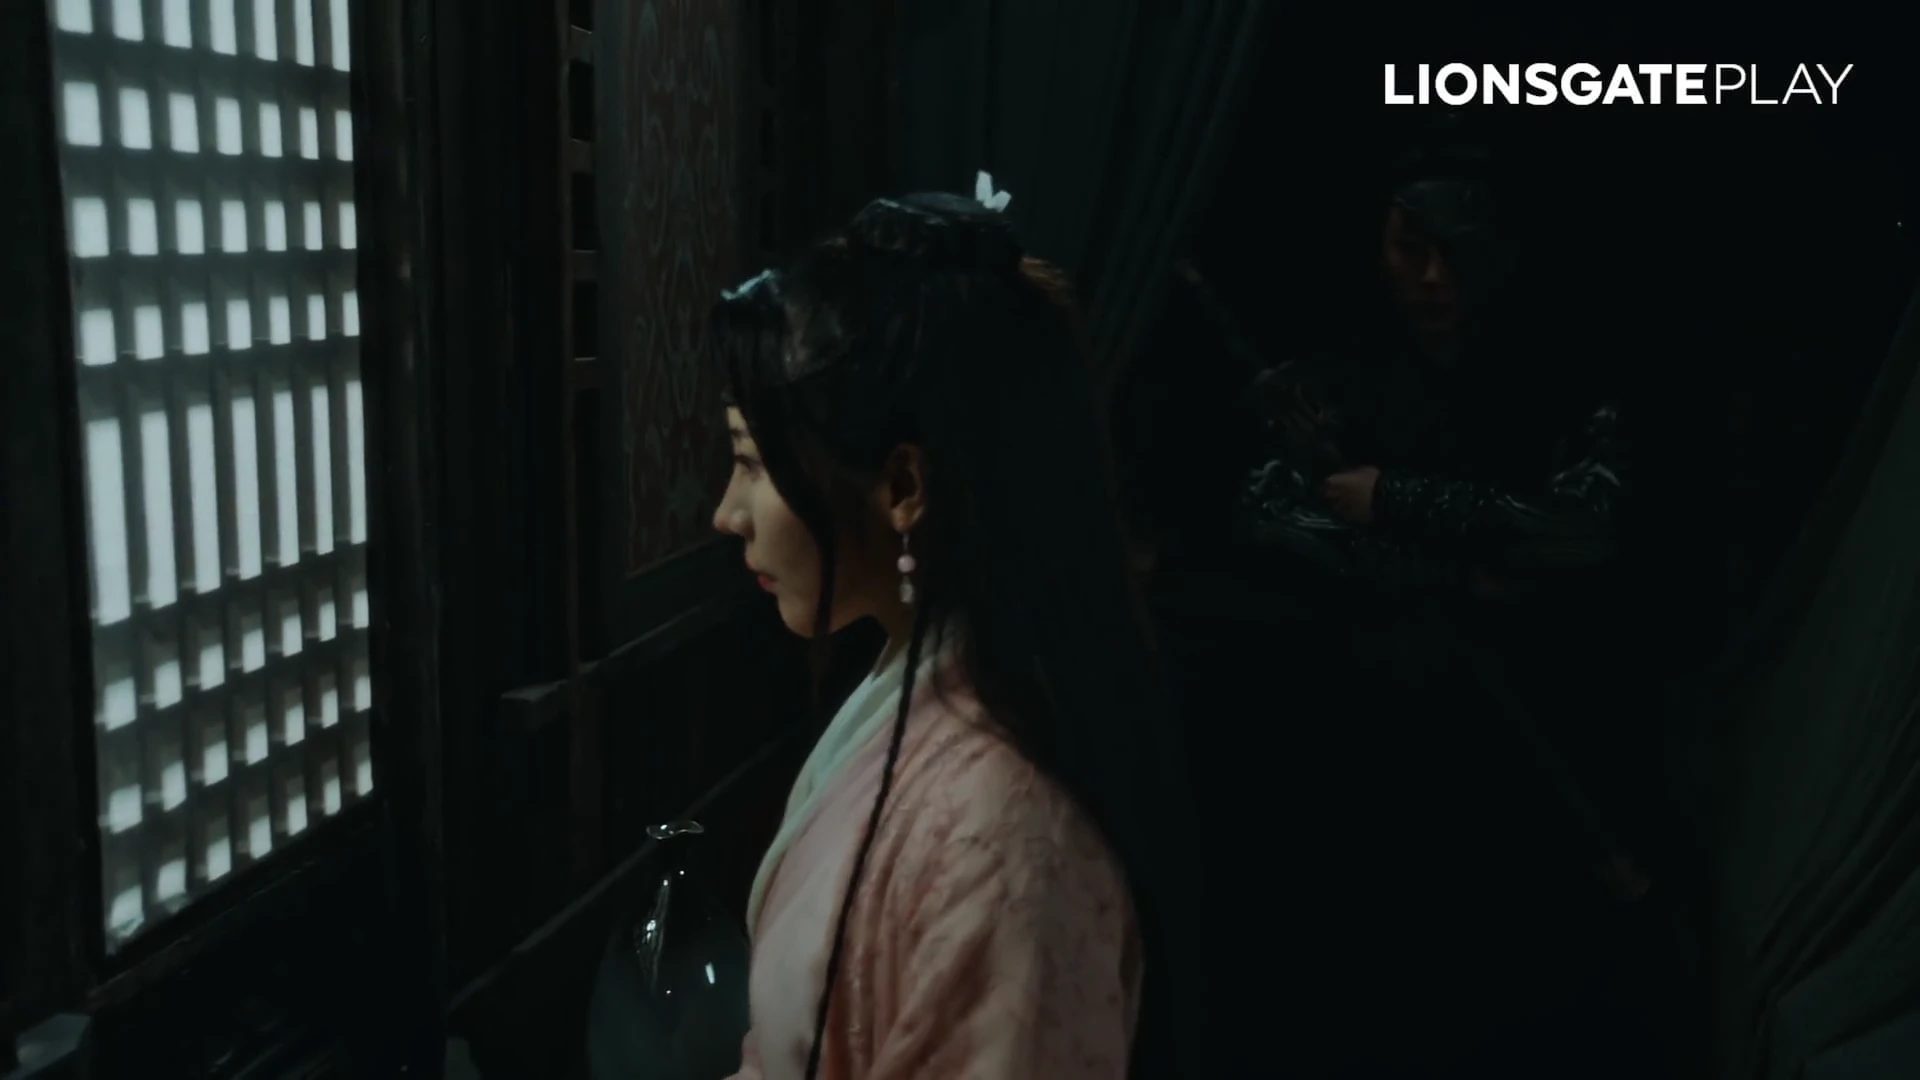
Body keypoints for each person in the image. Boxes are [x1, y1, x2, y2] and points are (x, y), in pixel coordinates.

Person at [709, 182, 1190, 1079]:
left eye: (751, 463)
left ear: (903, 486)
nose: (727, 513)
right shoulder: (917, 682)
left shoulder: (1009, 835)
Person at [1234, 128, 1669, 1075]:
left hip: (1529, 746)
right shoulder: (1336, 378)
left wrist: (1399, 499)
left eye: (1459, 250)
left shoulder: (1563, 378)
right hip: (1368, 747)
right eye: (1412, 248)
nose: (1435, 276)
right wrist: (1453, 572)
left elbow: (1583, 533)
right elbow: (1270, 519)